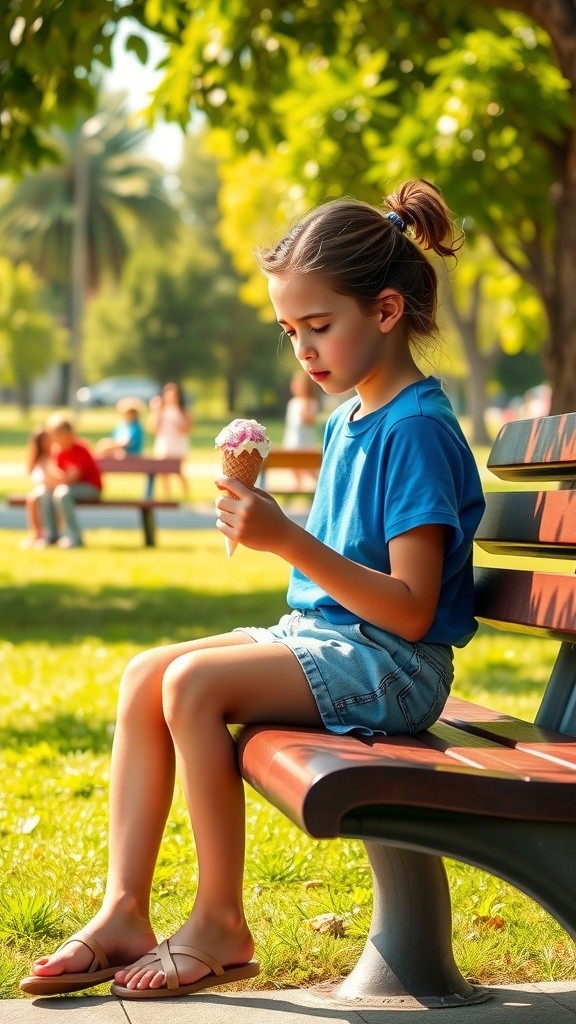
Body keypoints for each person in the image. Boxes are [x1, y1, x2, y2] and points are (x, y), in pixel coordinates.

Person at [20, 180, 485, 999]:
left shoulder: (413, 428)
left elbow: (411, 610)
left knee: (193, 687)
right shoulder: (353, 417)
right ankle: (125, 907)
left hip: (393, 665)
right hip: (332, 641)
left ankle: (220, 922)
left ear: (384, 311)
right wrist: (274, 531)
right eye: (289, 331)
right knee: (143, 678)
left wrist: (287, 540)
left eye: (318, 326)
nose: (303, 350)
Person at [36, 414, 103, 549]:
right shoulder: (58, 451)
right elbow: (55, 473)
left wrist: (56, 481)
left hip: (90, 488)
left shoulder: (80, 449)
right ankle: (51, 534)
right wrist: (50, 481)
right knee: (44, 493)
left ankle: (74, 535)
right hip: (67, 487)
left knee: (62, 493)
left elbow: (73, 477)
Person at [148, 382, 191, 499]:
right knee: (163, 472)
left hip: (177, 444)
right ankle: (167, 495)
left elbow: (188, 429)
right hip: (164, 443)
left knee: (178, 471)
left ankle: (185, 494)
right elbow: (153, 428)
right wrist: (156, 411)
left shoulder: (182, 411)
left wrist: (178, 424)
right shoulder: (161, 410)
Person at [282, 369, 321, 493]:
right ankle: (297, 488)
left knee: (310, 468)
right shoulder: (293, 403)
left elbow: (308, 420)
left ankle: (320, 486)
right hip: (292, 442)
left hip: (304, 444)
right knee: (294, 469)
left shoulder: (310, 403)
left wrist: (306, 405)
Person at [20, 426, 58, 549]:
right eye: (42, 441)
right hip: (44, 487)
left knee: (42, 497)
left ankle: (48, 533)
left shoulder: (56, 454)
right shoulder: (39, 458)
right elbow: (34, 475)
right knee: (34, 499)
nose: (45, 443)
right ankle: (37, 534)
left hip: (55, 487)